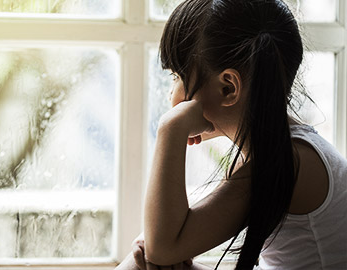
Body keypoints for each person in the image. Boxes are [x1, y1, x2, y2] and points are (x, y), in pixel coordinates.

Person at [115, 0, 347, 269]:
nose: (171, 92)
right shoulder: (277, 151)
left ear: (228, 88)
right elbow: (167, 243)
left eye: (176, 76)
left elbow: (163, 248)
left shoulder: (289, 161)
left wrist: (170, 130)